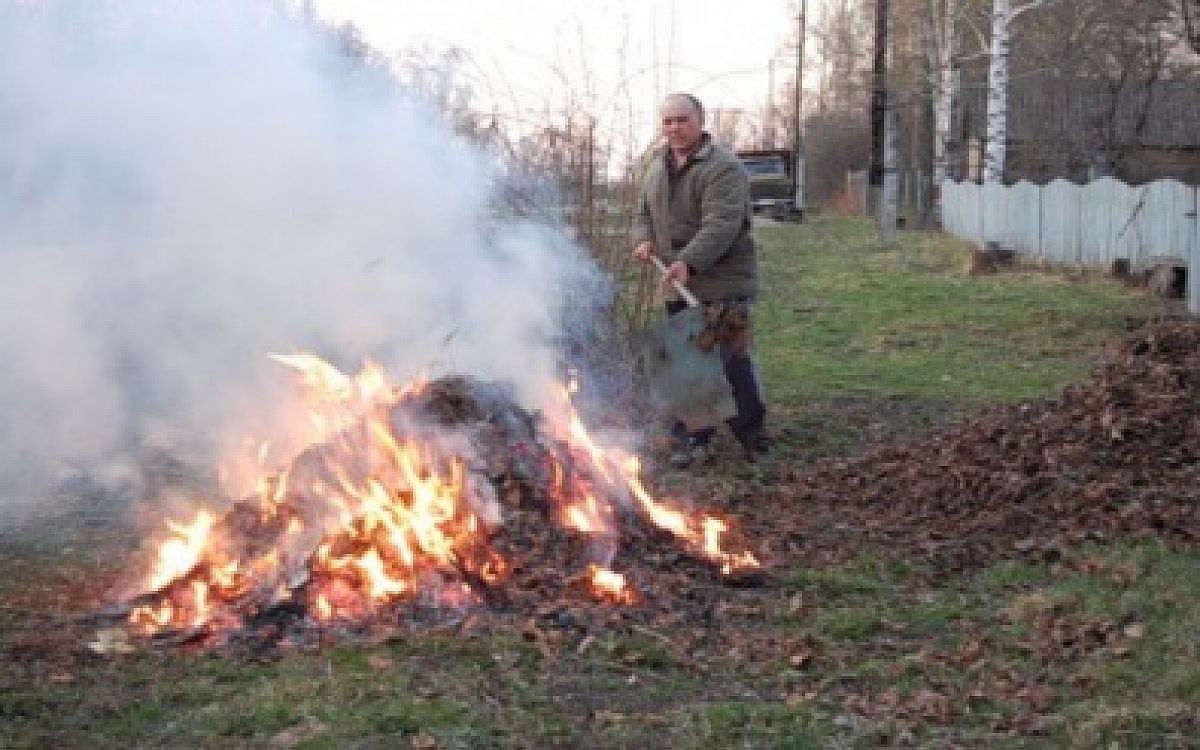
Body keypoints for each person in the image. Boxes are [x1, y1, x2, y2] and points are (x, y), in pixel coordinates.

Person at [632, 92, 768, 468]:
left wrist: (688, 263)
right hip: (678, 281)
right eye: (667, 121)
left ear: (700, 120)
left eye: (682, 120)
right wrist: (642, 240)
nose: (674, 128)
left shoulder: (723, 168)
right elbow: (642, 215)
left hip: (722, 283)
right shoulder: (656, 168)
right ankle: (695, 439)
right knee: (687, 361)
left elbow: (722, 226)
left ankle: (753, 436)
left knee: (730, 360)